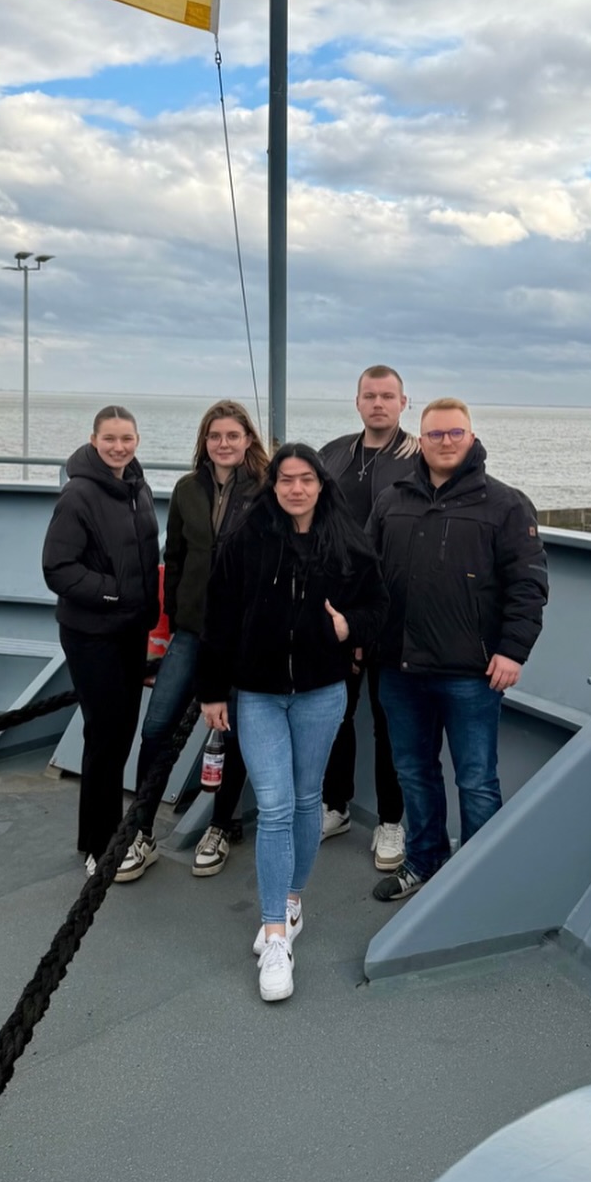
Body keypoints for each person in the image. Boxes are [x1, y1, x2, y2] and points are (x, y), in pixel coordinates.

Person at [198, 442, 387, 1003]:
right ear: (273, 485)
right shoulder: (246, 541)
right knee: (276, 805)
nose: (296, 488)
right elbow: (217, 617)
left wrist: (348, 627)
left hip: (321, 693)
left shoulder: (347, 543)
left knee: (307, 801)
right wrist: (212, 690)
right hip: (258, 695)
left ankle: (292, 898)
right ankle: (276, 934)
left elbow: (378, 608)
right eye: (286, 479)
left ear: (321, 485)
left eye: (306, 479)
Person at [368, 398, 548, 902]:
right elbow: (366, 574)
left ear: (471, 437)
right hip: (400, 667)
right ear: (420, 440)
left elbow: (528, 585)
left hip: (472, 672)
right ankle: (423, 862)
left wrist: (513, 651)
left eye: (455, 433)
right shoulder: (391, 500)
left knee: (476, 779)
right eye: (435, 434)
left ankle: (478, 882)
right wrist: (363, 639)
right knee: (414, 772)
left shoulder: (506, 504)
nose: (445, 442)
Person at [129, 400, 267, 879]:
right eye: (215, 436)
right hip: (192, 632)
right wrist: (175, 616)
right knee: (156, 728)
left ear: (248, 439)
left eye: (232, 435)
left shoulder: (266, 490)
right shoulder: (188, 489)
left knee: (236, 734)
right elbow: (176, 557)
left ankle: (221, 826)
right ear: (204, 442)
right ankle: (140, 831)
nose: (223, 444)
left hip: (244, 636)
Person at [42, 406, 160, 879]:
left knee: (117, 734)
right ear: (94, 440)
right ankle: (101, 844)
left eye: (126, 438)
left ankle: (94, 834)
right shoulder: (78, 495)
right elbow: (57, 568)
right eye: (109, 439)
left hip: (130, 631)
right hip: (92, 634)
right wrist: (113, 592)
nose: (118, 447)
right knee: (106, 736)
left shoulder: (137, 487)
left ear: (137, 440)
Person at [317, 365, 418, 871]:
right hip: (338, 608)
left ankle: (390, 821)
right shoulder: (334, 454)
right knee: (335, 712)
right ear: (357, 402)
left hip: (394, 611)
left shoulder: (418, 456)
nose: (379, 404)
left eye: (388, 396)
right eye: (370, 396)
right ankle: (335, 805)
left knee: (387, 719)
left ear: (404, 402)